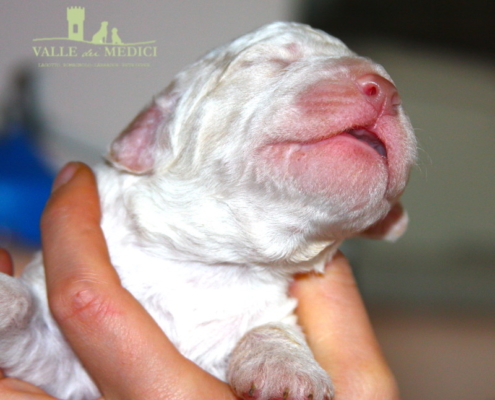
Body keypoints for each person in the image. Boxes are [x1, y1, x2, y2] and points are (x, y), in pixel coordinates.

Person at [0, 162, 400, 400]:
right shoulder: (123, 208)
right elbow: (40, 347)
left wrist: (273, 344)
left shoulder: (301, 280)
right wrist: (16, 314)